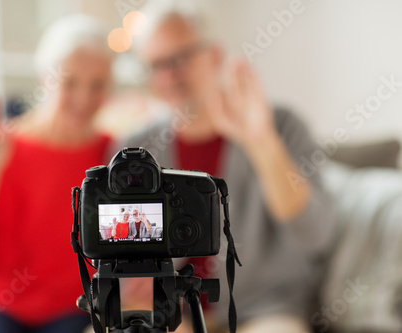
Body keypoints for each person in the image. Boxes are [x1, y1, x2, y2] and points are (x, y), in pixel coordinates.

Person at [123, 1, 335, 332]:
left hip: (264, 308)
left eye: (180, 58)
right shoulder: (134, 148)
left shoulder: (280, 125)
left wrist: (261, 142)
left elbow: (316, 234)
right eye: (155, 65)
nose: (168, 76)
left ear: (214, 54)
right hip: (169, 310)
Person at [0, 15, 113, 333]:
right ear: (44, 78)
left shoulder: (111, 154)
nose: (84, 98)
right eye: (70, 82)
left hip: (73, 308)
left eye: (97, 84)